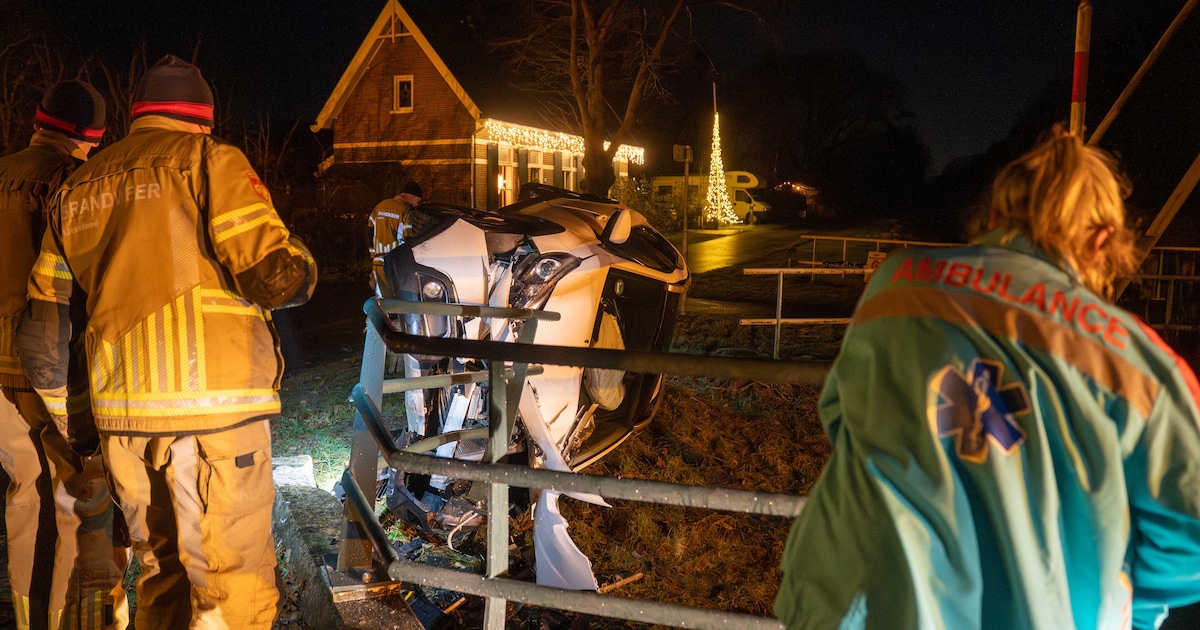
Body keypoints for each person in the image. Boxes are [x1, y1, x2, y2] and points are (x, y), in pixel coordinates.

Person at [774, 127, 1200, 630]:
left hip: (849, 606)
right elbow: (1188, 530)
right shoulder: (1142, 367)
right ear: (1101, 240)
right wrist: (1130, 608)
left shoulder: (896, 284)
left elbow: (841, 416)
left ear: (996, 216)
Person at [16, 55, 317, 629]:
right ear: (203, 118)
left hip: (123, 427)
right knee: (232, 591)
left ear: (137, 117)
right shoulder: (211, 162)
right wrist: (302, 256)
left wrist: (79, 426)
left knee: (161, 577)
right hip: (214, 421)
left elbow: (45, 333)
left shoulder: (76, 189)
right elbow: (274, 276)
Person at [0, 80, 129, 630]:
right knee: (70, 508)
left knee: (23, 499)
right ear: (90, 139)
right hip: (43, 371)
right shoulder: (75, 185)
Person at [369, 179, 422, 294]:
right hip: (396, 262)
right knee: (401, 301)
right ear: (412, 196)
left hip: (378, 261)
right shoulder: (407, 210)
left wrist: (373, 254)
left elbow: (370, 230)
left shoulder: (380, 206)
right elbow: (409, 238)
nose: (417, 204)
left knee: (382, 300)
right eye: (418, 200)